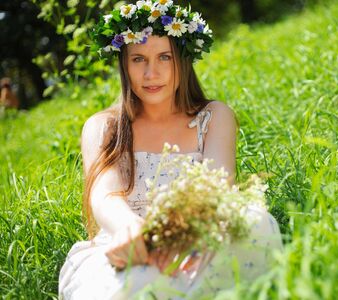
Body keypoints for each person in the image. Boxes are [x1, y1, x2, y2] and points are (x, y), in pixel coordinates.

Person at [59, 1, 283, 299]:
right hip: (130, 242)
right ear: (124, 64)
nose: (151, 73)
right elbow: (105, 195)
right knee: (127, 284)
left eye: (164, 57)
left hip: (201, 230)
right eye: (138, 59)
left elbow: (218, 185)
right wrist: (130, 227)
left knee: (257, 224)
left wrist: (184, 231)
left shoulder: (213, 117)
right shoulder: (104, 126)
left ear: (183, 60)